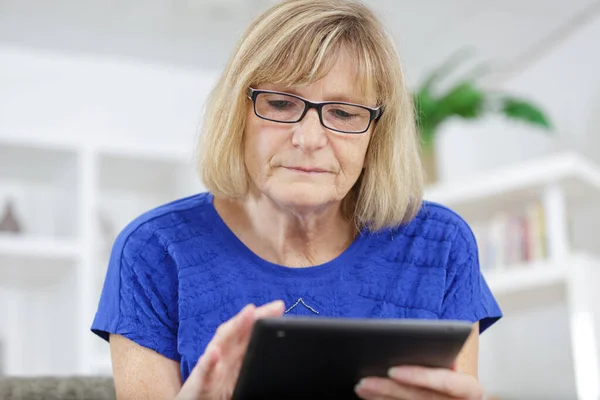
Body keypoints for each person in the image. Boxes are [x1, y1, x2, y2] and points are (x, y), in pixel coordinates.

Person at [91, 0, 502, 399]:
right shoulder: (153, 249)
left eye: (343, 113)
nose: (308, 140)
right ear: (238, 113)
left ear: (377, 132)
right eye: (281, 103)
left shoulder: (439, 245)